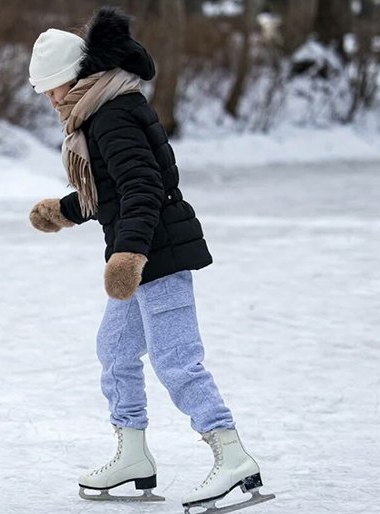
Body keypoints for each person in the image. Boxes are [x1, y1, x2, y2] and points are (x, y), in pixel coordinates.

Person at [26, 7, 274, 513]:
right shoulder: (99, 113)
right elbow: (114, 193)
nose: (51, 98)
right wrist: (66, 211)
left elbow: (144, 189)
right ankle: (133, 453)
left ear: (78, 77)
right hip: (142, 254)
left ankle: (231, 456)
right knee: (115, 351)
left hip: (154, 255)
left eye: (54, 86)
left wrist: (129, 255)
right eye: (44, 90)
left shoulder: (112, 114)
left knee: (175, 360)